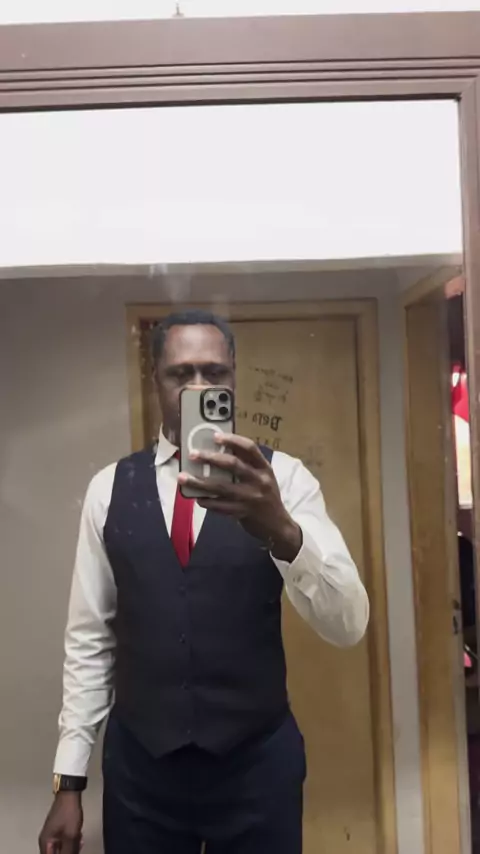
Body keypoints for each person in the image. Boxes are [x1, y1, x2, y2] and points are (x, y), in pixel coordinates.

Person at [39, 309, 369, 854]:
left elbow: (348, 624)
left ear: (233, 376)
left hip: (257, 770)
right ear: (155, 379)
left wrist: (283, 532)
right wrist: (68, 780)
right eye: (180, 373)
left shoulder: (283, 480)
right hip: (142, 774)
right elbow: (89, 641)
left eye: (214, 373)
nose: (197, 387)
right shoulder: (108, 490)